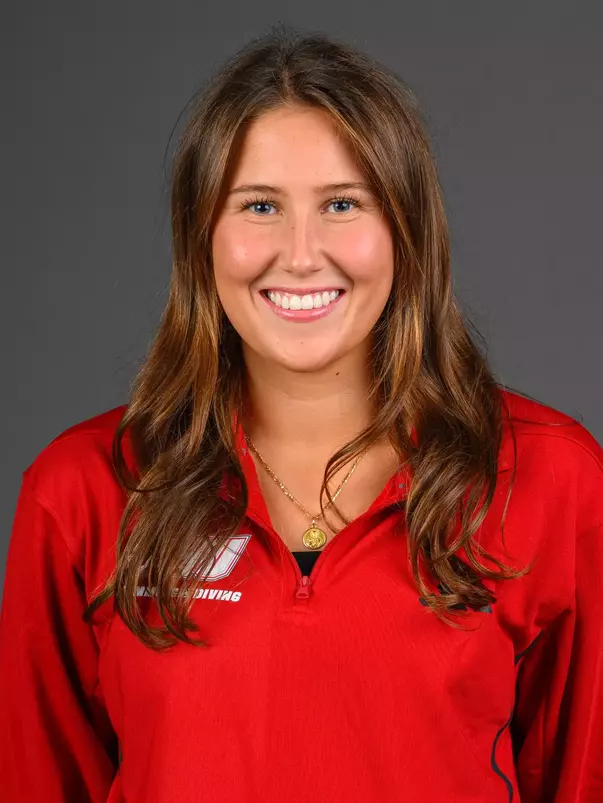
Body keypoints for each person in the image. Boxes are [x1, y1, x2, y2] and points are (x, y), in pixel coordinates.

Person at [0, 26, 601, 803]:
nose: (301, 252)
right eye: (258, 206)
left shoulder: (551, 478)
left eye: (343, 203)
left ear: (406, 232)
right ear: (201, 237)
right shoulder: (82, 490)